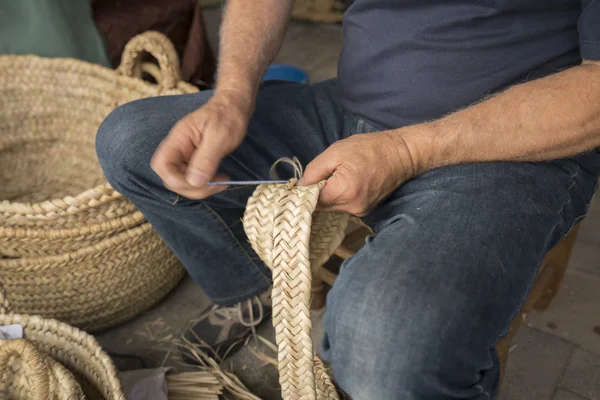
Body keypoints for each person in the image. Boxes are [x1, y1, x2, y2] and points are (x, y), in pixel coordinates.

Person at [96, 0, 600, 398]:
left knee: (388, 346)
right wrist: (232, 95)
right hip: (352, 106)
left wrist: (404, 151)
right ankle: (250, 289)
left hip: (502, 148)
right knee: (130, 143)